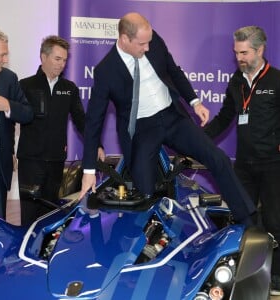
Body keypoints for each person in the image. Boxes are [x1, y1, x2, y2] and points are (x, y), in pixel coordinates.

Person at [78, 12, 256, 227]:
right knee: (144, 191)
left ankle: (246, 221)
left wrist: (194, 102)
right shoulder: (106, 71)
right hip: (142, 130)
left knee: (218, 158)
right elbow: (94, 121)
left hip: (173, 118)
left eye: (149, 42)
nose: (147, 48)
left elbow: (173, 70)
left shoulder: (152, 40)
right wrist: (88, 171)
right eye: (142, 44)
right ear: (125, 39)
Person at [204, 25, 280, 296]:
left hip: (273, 165)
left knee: (274, 221)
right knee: (242, 219)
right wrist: (198, 139)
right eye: (236, 52)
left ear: (260, 50)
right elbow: (225, 116)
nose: (239, 58)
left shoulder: (276, 81)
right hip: (244, 165)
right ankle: (240, 274)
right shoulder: (237, 81)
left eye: (244, 52)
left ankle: (276, 278)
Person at [17, 35, 105, 226]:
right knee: (29, 213)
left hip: (56, 160)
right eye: (58, 59)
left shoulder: (69, 88)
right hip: (30, 161)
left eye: (64, 60)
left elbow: (82, 120)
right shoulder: (25, 85)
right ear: (43, 57)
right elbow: (12, 118)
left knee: (51, 212)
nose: (62, 64)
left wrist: (96, 144)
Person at [0, 28, 33, 219]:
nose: (5, 59)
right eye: (2, 55)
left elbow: (28, 113)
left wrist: (8, 105)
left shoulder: (8, 78)